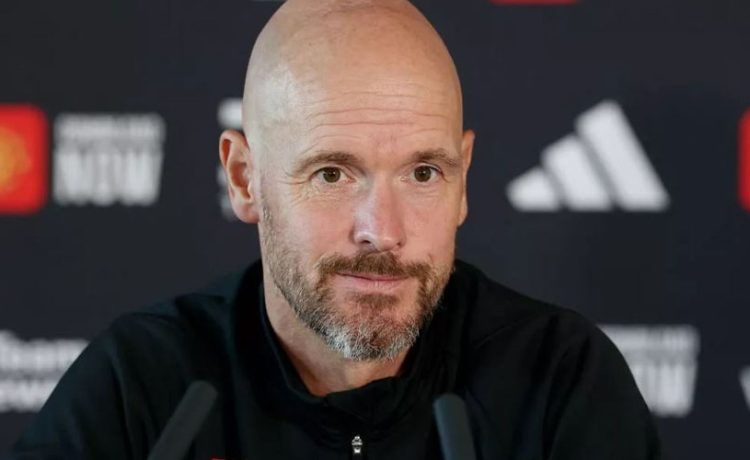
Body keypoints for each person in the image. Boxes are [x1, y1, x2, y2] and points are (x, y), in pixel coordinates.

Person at [8, 0, 660, 458]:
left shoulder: (559, 378)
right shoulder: (144, 383)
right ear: (244, 179)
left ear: (463, 180)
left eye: (423, 173)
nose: (383, 231)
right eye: (332, 174)